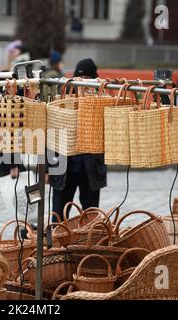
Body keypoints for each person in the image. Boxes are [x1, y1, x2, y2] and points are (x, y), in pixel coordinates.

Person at [48, 59, 107, 221]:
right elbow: (52, 135)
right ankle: (58, 243)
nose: (84, 84)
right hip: (63, 169)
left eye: (89, 79)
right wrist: (47, 168)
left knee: (90, 216)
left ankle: (88, 244)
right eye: (81, 79)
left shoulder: (102, 101)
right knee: (58, 216)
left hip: (92, 168)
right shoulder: (62, 102)